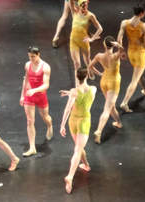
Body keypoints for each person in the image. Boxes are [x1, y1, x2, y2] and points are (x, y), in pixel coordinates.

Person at [60, 66, 97, 194]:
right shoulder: (93, 89)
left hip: (73, 121)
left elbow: (67, 109)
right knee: (78, 149)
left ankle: (86, 164)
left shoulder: (74, 92)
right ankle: (70, 176)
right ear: (87, 76)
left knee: (78, 147)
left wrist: (62, 125)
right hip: (84, 121)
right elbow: (84, 94)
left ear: (77, 77)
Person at [117, 3, 145, 113]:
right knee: (135, 79)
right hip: (140, 54)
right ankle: (125, 102)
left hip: (131, 53)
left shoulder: (124, 23)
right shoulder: (144, 26)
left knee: (138, 75)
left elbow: (119, 39)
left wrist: (121, 51)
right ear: (142, 13)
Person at [88, 36, 123, 143]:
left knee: (111, 106)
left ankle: (118, 122)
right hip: (113, 83)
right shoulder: (115, 56)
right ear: (113, 45)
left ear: (104, 45)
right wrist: (118, 45)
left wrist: (99, 73)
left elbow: (89, 66)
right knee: (107, 108)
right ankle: (99, 131)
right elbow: (122, 50)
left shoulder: (99, 56)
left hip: (104, 81)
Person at [20, 46, 53, 156]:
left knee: (45, 116)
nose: (31, 59)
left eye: (33, 56)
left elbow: (46, 85)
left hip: (40, 95)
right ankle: (32, 147)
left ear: (38, 54)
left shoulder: (45, 67)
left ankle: (50, 126)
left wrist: (34, 90)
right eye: (29, 56)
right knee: (30, 120)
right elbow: (26, 80)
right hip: (29, 95)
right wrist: (22, 95)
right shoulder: (28, 65)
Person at [68, 0, 102, 81]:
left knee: (87, 61)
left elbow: (100, 28)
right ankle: (79, 82)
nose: (85, 7)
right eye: (83, 6)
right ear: (79, 6)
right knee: (77, 64)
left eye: (86, 5)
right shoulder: (74, 12)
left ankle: (89, 70)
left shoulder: (90, 15)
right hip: (73, 41)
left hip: (84, 41)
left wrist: (92, 39)